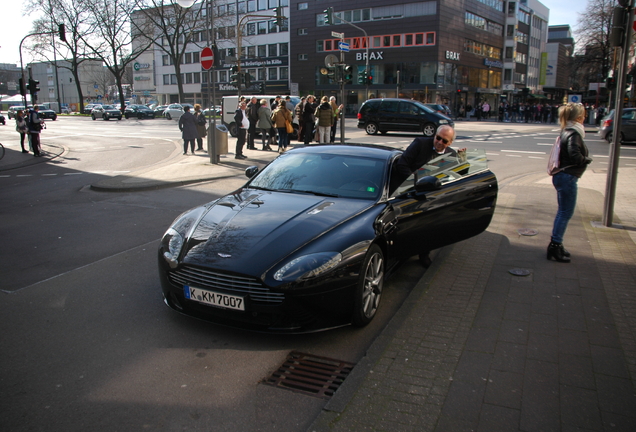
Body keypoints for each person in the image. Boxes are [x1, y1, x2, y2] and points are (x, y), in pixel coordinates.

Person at [547, 103, 592, 263]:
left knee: (563, 212)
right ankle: (555, 246)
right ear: (579, 118)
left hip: (562, 176)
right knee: (565, 213)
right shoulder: (574, 133)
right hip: (567, 177)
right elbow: (574, 155)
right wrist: (586, 159)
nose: (585, 118)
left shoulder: (566, 130)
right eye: (584, 115)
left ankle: (556, 245)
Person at [391, 125, 460, 188]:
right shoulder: (420, 144)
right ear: (435, 135)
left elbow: (457, 175)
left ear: (450, 142)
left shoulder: (451, 154)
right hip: (411, 188)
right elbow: (402, 164)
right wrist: (415, 181)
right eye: (438, 138)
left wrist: (462, 160)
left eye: (444, 141)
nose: (440, 142)